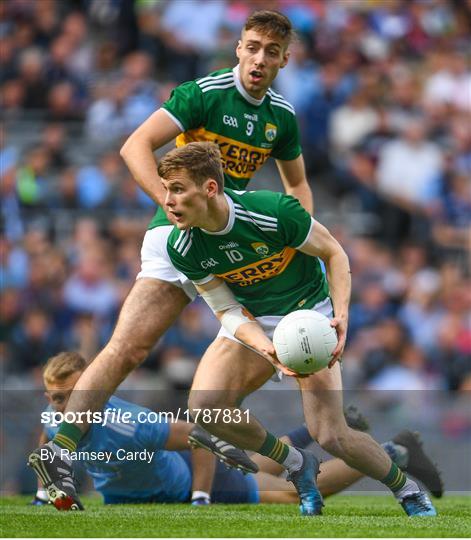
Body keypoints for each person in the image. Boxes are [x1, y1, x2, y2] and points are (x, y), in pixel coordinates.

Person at [27, 9, 373, 510]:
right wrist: (172, 208)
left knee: (229, 390)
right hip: (180, 237)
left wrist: (294, 241)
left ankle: (286, 461)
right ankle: (59, 452)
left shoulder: (281, 115)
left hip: (233, 243)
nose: (259, 58)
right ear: (238, 47)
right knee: (128, 348)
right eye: (252, 47)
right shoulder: (205, 93)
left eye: (271, 52)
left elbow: (297, 185)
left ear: (284, 59)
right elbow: (135, 145)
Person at [161, 142, 438, 517]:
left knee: (331, 435)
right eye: (166, 189)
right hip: (254, 320)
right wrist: (267, 347)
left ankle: (406, 489)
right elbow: (225, 308)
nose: (168, 200)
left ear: (210, 188)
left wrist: (340, 316)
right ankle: (294, 462)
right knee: (205, 406)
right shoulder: (182, 245)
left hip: (309, 316)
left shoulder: (272, 211)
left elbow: (334, 253)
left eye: (177, 189)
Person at [31, 352, 442, 509]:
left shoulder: (130, 425)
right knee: (261, 462)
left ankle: (394, 451)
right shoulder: (54, 421)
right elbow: (48, 444)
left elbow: (201, 438)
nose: (61, 408)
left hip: (185, 484)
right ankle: (313, 431)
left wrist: (200, 496)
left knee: (284, 491)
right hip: (149, 494)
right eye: (55, 399)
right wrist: (41, 493)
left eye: (70, 397)